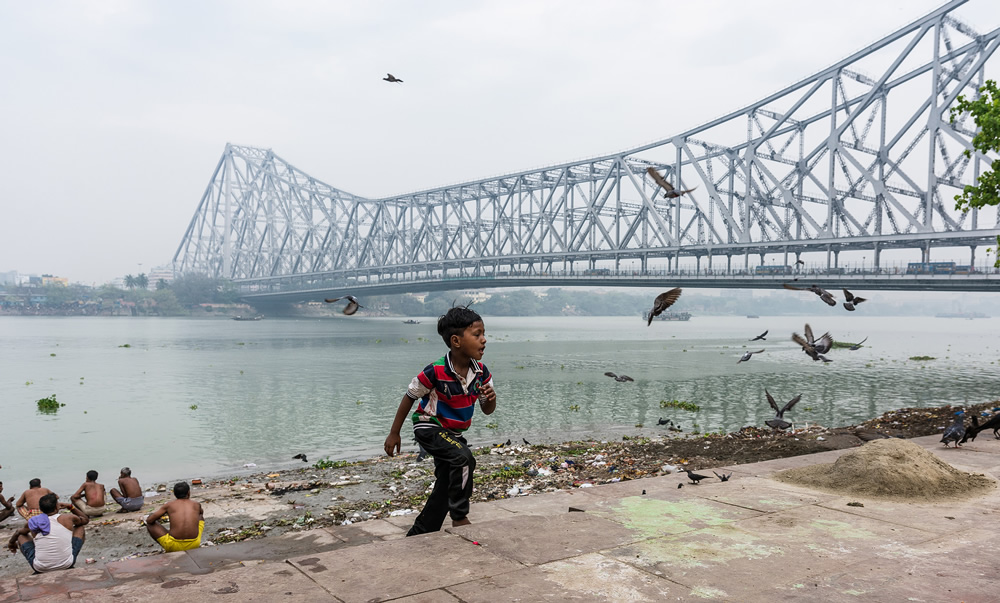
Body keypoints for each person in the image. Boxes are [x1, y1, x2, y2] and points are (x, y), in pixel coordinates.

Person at [384, 306, 496, 536]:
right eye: (477, 334)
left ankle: (422, 531)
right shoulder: (435, 371)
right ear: (456, 341)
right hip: (429, 426)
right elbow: (410, 396)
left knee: (447, 483)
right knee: (463, 458)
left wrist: (490, 399)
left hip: (452, 433)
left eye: (484, 333)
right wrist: (394, 433)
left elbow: (487, 410)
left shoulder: (482, 372)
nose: (484, 340)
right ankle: (460, 516)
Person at [6, 493, 88, 573]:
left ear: (40, 509)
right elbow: (85, 519)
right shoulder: (68, 518)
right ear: (57, 506)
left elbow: (18, 532)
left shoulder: (33, 521)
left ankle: (43, 560)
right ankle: (66, 555)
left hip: (40, 567)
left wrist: (11, 542)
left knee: (21, 536)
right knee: (79, 527)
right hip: (67, 564)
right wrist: (70, 507)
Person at [144, 482, 204, 552]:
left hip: (173, 546)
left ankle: (167, 548)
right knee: (200, 517)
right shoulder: (196, 504)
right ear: (188, 493)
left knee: (150, 524)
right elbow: (200, 513)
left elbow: (149, 520)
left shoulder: (169, 505)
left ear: (175, 494)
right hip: (194, 544)